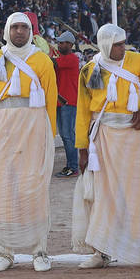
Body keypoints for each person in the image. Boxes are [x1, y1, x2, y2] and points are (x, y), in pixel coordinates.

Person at [72, 24, 140, 270]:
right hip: (102, 137)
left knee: (138, 190)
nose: (123, 48)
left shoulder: (137, 61)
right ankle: (100, 251)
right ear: (105, 45)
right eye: (118, 44)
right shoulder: (89, 70)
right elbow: (83, 112)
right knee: (103, 192)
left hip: (133, 136)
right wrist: (82, 148)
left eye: (124, 43)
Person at [0, 12, 59, 272]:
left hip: (34, 125)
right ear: (6, 30)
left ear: (31, 31)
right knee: (3, 188)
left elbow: (50, 98)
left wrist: (50, 135)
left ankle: (40, 251)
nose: (19, 32)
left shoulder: (42, 60)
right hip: (2, 128)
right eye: (14, 27)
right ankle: (4, 251)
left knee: (33, 186)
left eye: (23, 27)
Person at [53, 31, 81, 178]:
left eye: (62, 42)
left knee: (67, 135)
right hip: (63, 101)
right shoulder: (66, 58)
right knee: (66, 135)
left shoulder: (71, 58)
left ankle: (73, 167)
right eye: (59, 42)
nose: (59, 44)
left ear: (70, 44)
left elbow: (51, 63)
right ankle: (72, 165)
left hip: (68, 101)